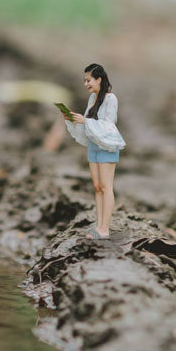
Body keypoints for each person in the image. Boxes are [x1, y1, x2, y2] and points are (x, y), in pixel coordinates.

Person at [62, 63, 126, 239]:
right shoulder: (92, 99)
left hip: (107, 146)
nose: (86, 84)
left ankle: (105, 229)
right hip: (93, 146)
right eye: (84, 81)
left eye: (88, 80)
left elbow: (109, 125)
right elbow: (88, 125)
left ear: (99, 79)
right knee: (97, 187)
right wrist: (73, 119)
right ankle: (99, 226)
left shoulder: (110, 98)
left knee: (106, 187)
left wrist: (86, 121)